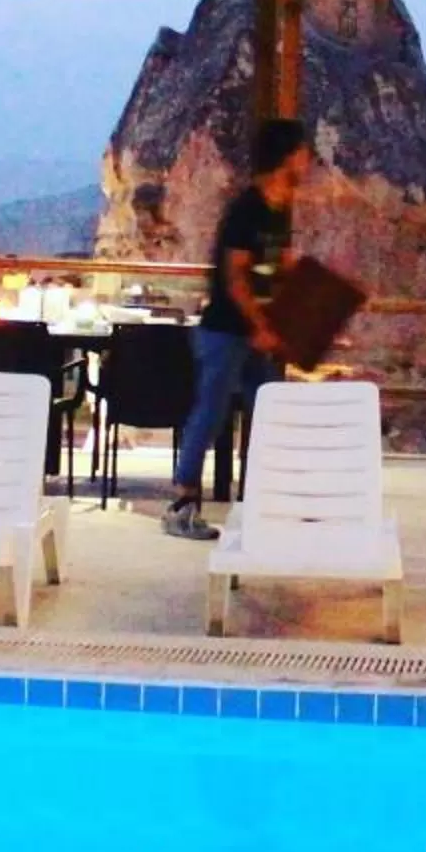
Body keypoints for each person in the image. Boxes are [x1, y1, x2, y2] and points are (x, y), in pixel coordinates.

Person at [167, 118, 313, 541]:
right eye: (302, 151)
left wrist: (315, 304)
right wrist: (261, 326)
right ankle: (181, 506)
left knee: (267, 415)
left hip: (257, 333)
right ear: (287, 156)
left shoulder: (280, 206)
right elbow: (235, 279)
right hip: (227, 331)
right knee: (210, 416)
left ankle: (265, 504)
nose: (307, 159)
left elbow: (279, 266)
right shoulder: (247, 209)